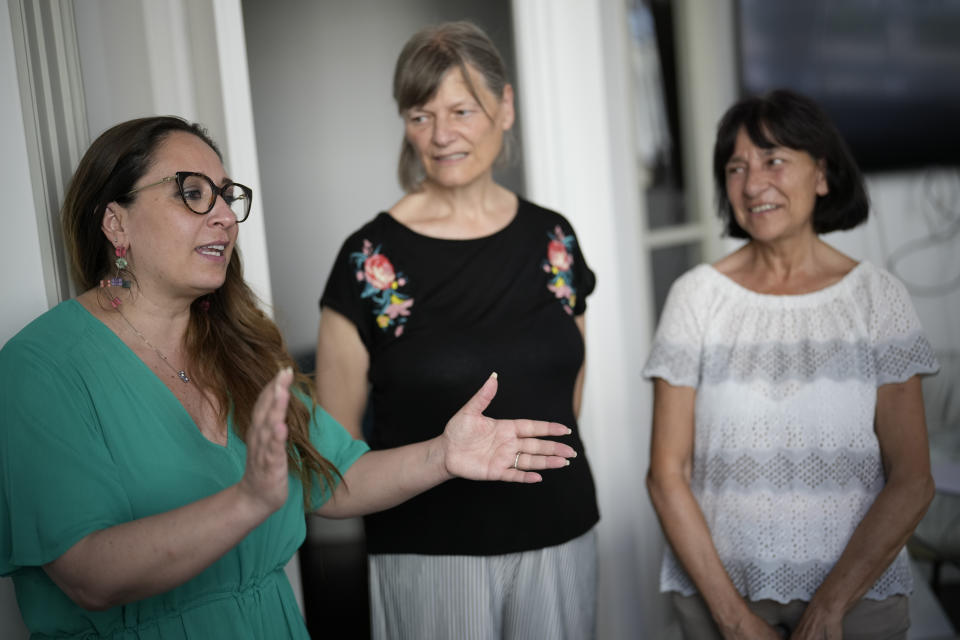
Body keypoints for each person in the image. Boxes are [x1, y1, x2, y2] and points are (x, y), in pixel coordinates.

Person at [0, 115, 579, 640]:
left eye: (227, 197)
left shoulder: (241, 347)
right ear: (114, 222)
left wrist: (443, 455)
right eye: (193, 194)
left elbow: (337, 477)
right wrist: (246, 501)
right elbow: (89, 577)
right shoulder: (42, 366)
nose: (225, 215)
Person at [316, 21, 600, 639]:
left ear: (505, 107)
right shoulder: (368, 260)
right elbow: (328, 472)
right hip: (429, 555)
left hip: (561, 534)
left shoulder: (556, 239)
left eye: (462, 110)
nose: (441, 135)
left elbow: (567, 394)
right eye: (420, 115)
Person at [644, 89, 940, 640]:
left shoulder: (879, 298)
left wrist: (829, 608)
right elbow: (666, 475)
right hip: (717, 602)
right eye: (736, 167)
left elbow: (912, 480)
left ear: (822, 175)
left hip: (857, 605)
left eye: (774, 160)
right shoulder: (695, 298)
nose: (754, 184)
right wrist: (733, 619)